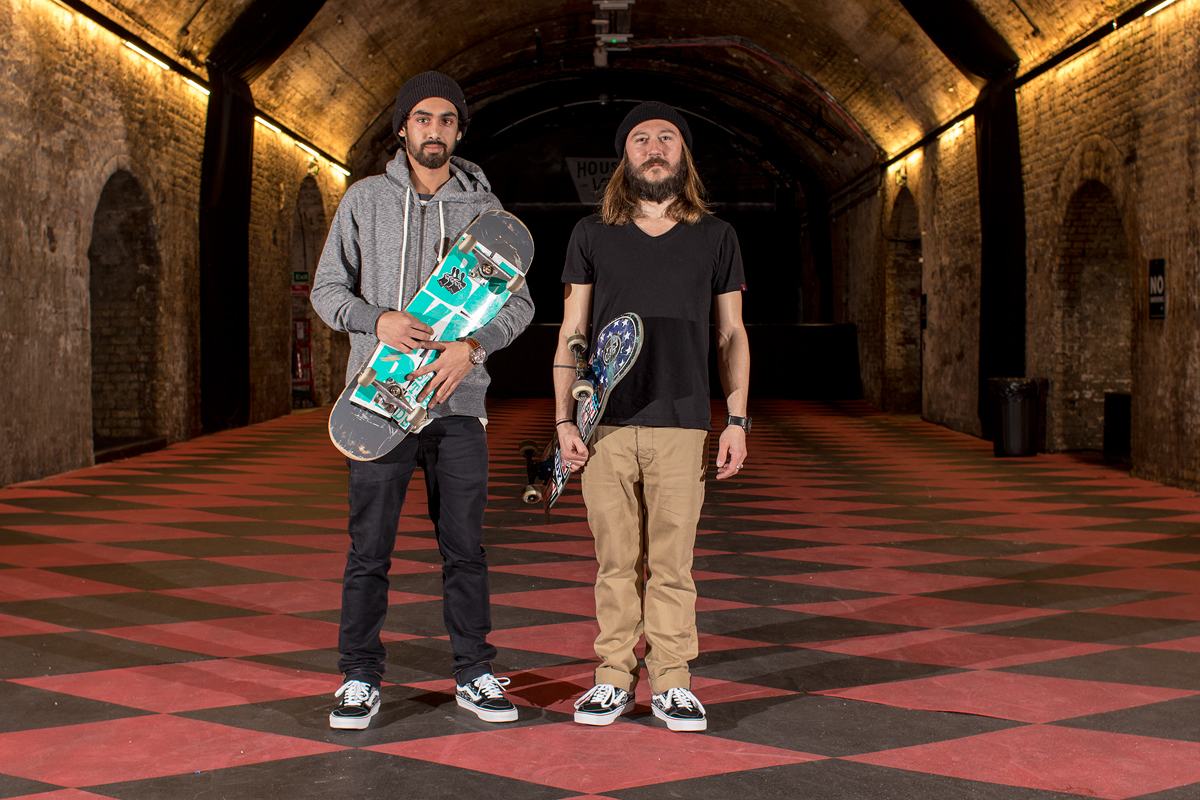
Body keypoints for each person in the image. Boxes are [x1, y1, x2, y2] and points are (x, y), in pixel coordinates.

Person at [311, 71, 534, 730]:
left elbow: (520, 303)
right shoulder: (364, 200)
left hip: (456, 405)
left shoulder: (487, 213)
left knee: (465, 548)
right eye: (422, 119)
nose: (434, 131)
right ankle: (358, 677)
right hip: (378, 400)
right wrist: (376, 320)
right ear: (403, 128)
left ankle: (473, 672)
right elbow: (327, 289)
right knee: (369, 550)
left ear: (458, 131)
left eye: (446, 120)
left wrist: (475, 347)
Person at [554, 101, 750, 732]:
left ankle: (671, 681)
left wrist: (738, 420)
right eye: (641, 139)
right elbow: (572, 329)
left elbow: (731, 333)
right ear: (625, 156)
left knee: (672, 565)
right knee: (614, 563)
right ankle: (612, 678)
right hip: (604, 423)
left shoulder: (716, 236)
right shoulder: (591, 234)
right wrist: (563, 421)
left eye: (668, 137)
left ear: (683, 153)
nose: (655, 147)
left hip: (683, 419)